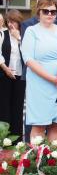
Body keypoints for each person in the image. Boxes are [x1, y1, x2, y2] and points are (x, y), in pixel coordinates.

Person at [21, 0, 57, 142]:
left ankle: (54, 163)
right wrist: (51, 78)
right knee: (39, 124)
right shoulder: (32, 31)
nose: (50, 14)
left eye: (53, 11)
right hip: (40, 84)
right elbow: (29, 60)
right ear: (39, 12)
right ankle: (36, 163)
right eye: (46, 11)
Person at [0, 10, 25, 142]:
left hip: (20, 77)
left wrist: (19, 38)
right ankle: (4, 141)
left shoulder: (24, 36)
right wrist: (5, 68)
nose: (11, 24)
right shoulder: (2, 34)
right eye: (9, 21)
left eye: (14, 21)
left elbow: (27, 54)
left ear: (19, 22)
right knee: (4, 108)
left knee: (18, 109)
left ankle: (17, 142)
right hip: (4, 76)